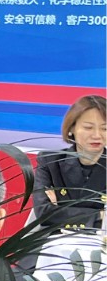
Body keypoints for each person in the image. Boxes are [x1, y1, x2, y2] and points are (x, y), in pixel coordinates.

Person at [33, 94, 106, 233]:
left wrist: (60, 211)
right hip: (55, 239)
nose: (97, 135)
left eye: (105, 128)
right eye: (88, 127)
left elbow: (52, 215)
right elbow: (43, 214)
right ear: (72, 128)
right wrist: (99, 215)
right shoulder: (50, 162)